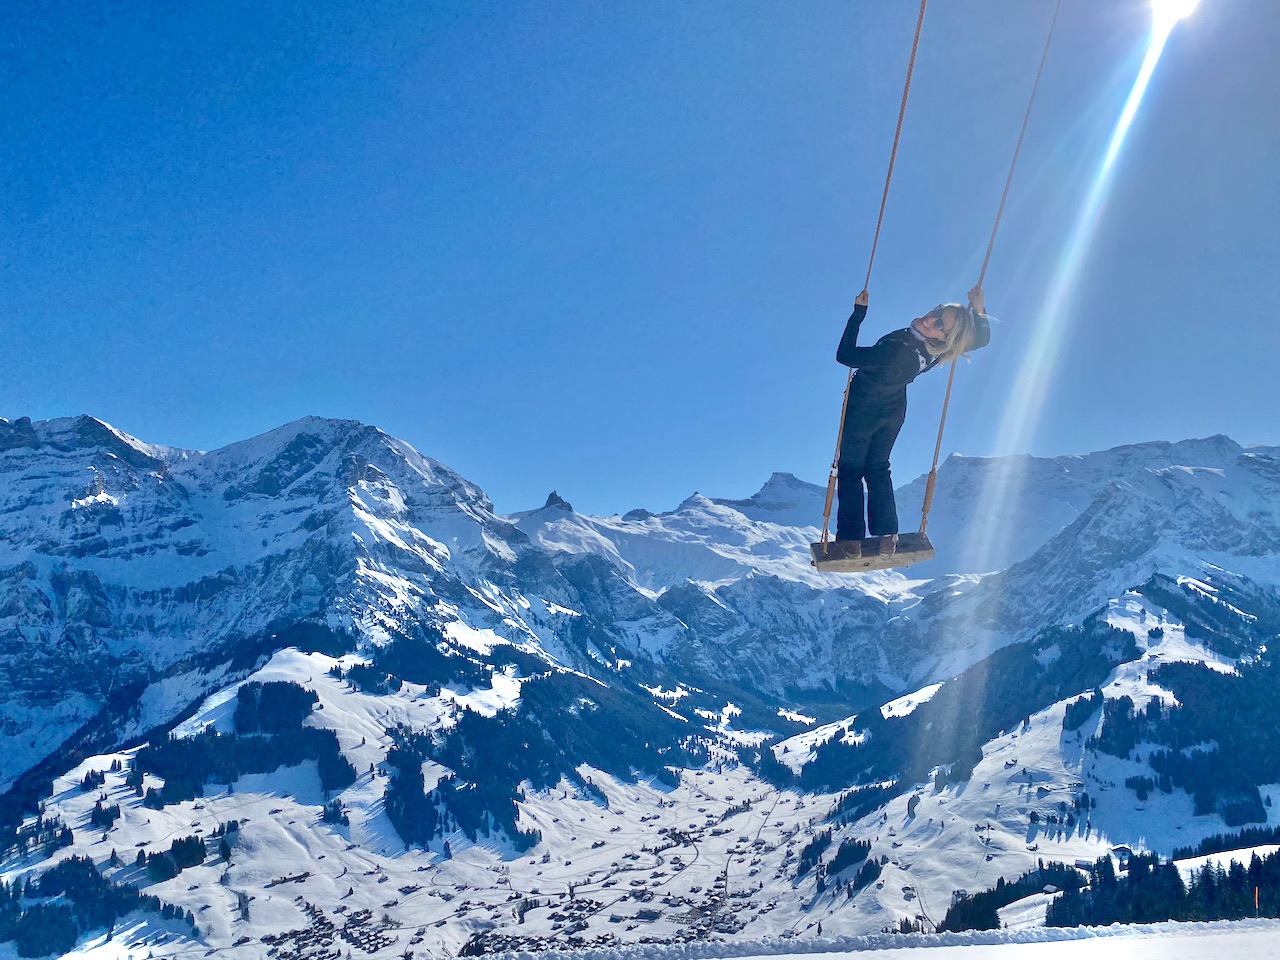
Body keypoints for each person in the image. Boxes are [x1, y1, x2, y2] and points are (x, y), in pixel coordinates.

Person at [833, 285, 991, 555]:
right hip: (893, 411)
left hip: (863, 410)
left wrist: (858, 314)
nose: (930, 318)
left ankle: (851, 540)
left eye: (939, 323)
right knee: (878, 468)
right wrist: (978, 309)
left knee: (850, 470)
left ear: (944, 337)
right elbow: (981, 339)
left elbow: (845, 355)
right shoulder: (935, 350)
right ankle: (886, 537)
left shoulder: (896, 353)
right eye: (937, 311)